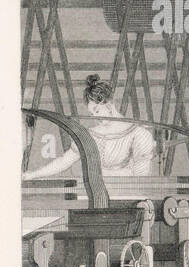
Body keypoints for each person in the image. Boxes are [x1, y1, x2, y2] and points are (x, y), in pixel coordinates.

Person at [22, 75, 157, 195]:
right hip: (94, 194)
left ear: (109, 105)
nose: (96, 117)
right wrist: (33, 175)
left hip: (127, 194)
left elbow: (140, 174)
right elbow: (65, 161)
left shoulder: (138, 133)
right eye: (92, 114)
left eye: (97, 111)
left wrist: (100, 174)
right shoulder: (91, 135)